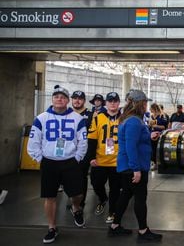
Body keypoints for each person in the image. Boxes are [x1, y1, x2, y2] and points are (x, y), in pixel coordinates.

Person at [27, 85, 88, 244]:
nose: (59, 99)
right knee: (50, 196)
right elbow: (33, 141)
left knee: (78, 194)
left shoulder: (77, 118)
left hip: (70, 161)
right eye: (56, 96)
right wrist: (41, 158)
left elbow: (83, 141)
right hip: (49, 162)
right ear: (52, 99)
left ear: (67, 100)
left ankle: (76, 208)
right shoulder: (41, 118)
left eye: (62, 97)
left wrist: (77, 158)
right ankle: (52, 227)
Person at [108, 89, 162, 242]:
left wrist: (148, 136)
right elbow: (130, 146)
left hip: (128, 166)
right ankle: (143, 231)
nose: (146, 105)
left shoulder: (130, 119)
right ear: (139, 104)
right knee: (140, 198)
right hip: (133, 167)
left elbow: (133, 141)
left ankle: (115, 226)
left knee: (125, 195)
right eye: (145, 102)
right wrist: (136, 169)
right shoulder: (133, 121)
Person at [87, 92, 122, 223]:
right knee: (96, 183)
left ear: (119, 103)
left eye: (115, 100)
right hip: (100, 160)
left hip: (117, 161)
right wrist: (91, 157)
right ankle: (102, 198)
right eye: (110, 101)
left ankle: (112, 212)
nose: (112, 103)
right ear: (105, 103)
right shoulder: (97, 118)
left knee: (115, 189)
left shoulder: (124, 118)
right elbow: (91, 140)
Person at [68, 90, 94, 210]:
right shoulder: (65, 113)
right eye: (75, 98)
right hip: (67, 151)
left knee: (82, 176)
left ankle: (80, 202)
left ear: (84, 100)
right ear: (71, 100)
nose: (77, 100)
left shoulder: (91, 114)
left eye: (80, 98)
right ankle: (72, 201)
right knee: (68, 176)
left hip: (84, 150)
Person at [148, 103, 168, 170]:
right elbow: (149, 126)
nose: (150, 110)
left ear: (154, 108)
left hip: (159, 135)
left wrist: (156, 126)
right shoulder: (151, 116)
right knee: (152, 149)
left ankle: (160, 163)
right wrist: (149, 126)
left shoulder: (162, 116)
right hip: (152, 135)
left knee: (159, 149)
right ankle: (154, 163)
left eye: (151, 108)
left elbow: (164, 127)